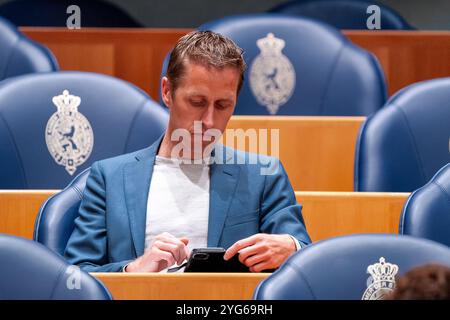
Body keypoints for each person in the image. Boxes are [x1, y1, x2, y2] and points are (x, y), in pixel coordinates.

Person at [64, 30, 311, 273]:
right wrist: (132, 270)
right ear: (167, 91)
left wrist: (293, 248)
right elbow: (77, 276)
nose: (210, 121)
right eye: (197, 103)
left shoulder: (264, 175)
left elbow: (305, 262)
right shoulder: (109, 178)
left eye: (223, 105)